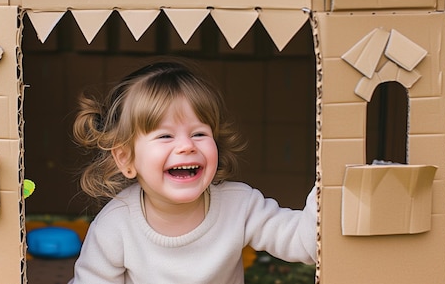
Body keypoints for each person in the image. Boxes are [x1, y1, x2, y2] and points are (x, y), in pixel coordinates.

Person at [69, 60, 317, 284]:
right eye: (165, 136)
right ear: (126, 158)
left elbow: (305, 243)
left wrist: (325, 190)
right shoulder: (115, 226)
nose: (187, 146)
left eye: (199, 134)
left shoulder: (240, 205)